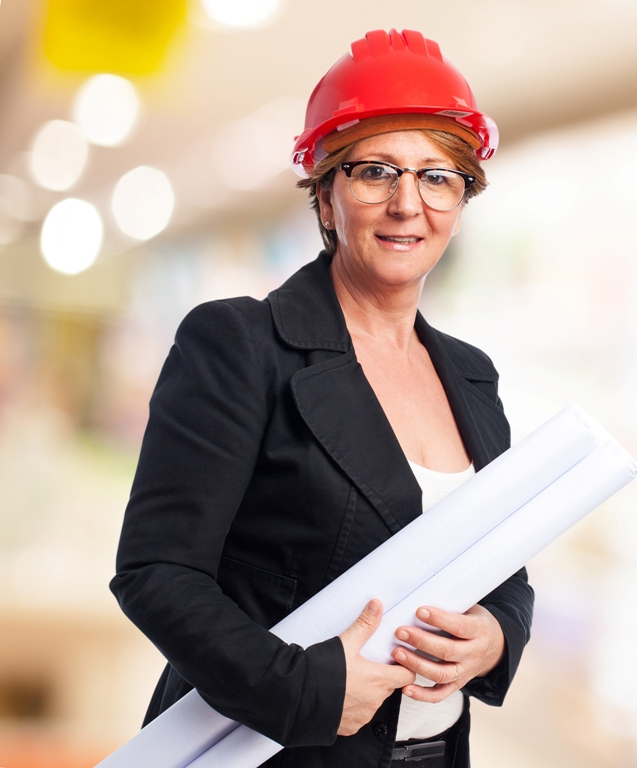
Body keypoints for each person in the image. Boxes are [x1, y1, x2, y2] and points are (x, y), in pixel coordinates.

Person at [110, 28, 534, 768]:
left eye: (438, 176)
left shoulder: (472, 375)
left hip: (432, 751)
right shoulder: (240, 344)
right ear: (327, 195)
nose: (409, 203)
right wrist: (303, 687)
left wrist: (496, 635)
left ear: (463, 198)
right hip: (280, 751)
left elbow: (506, 568)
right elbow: (157, 572)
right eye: (376, 172)